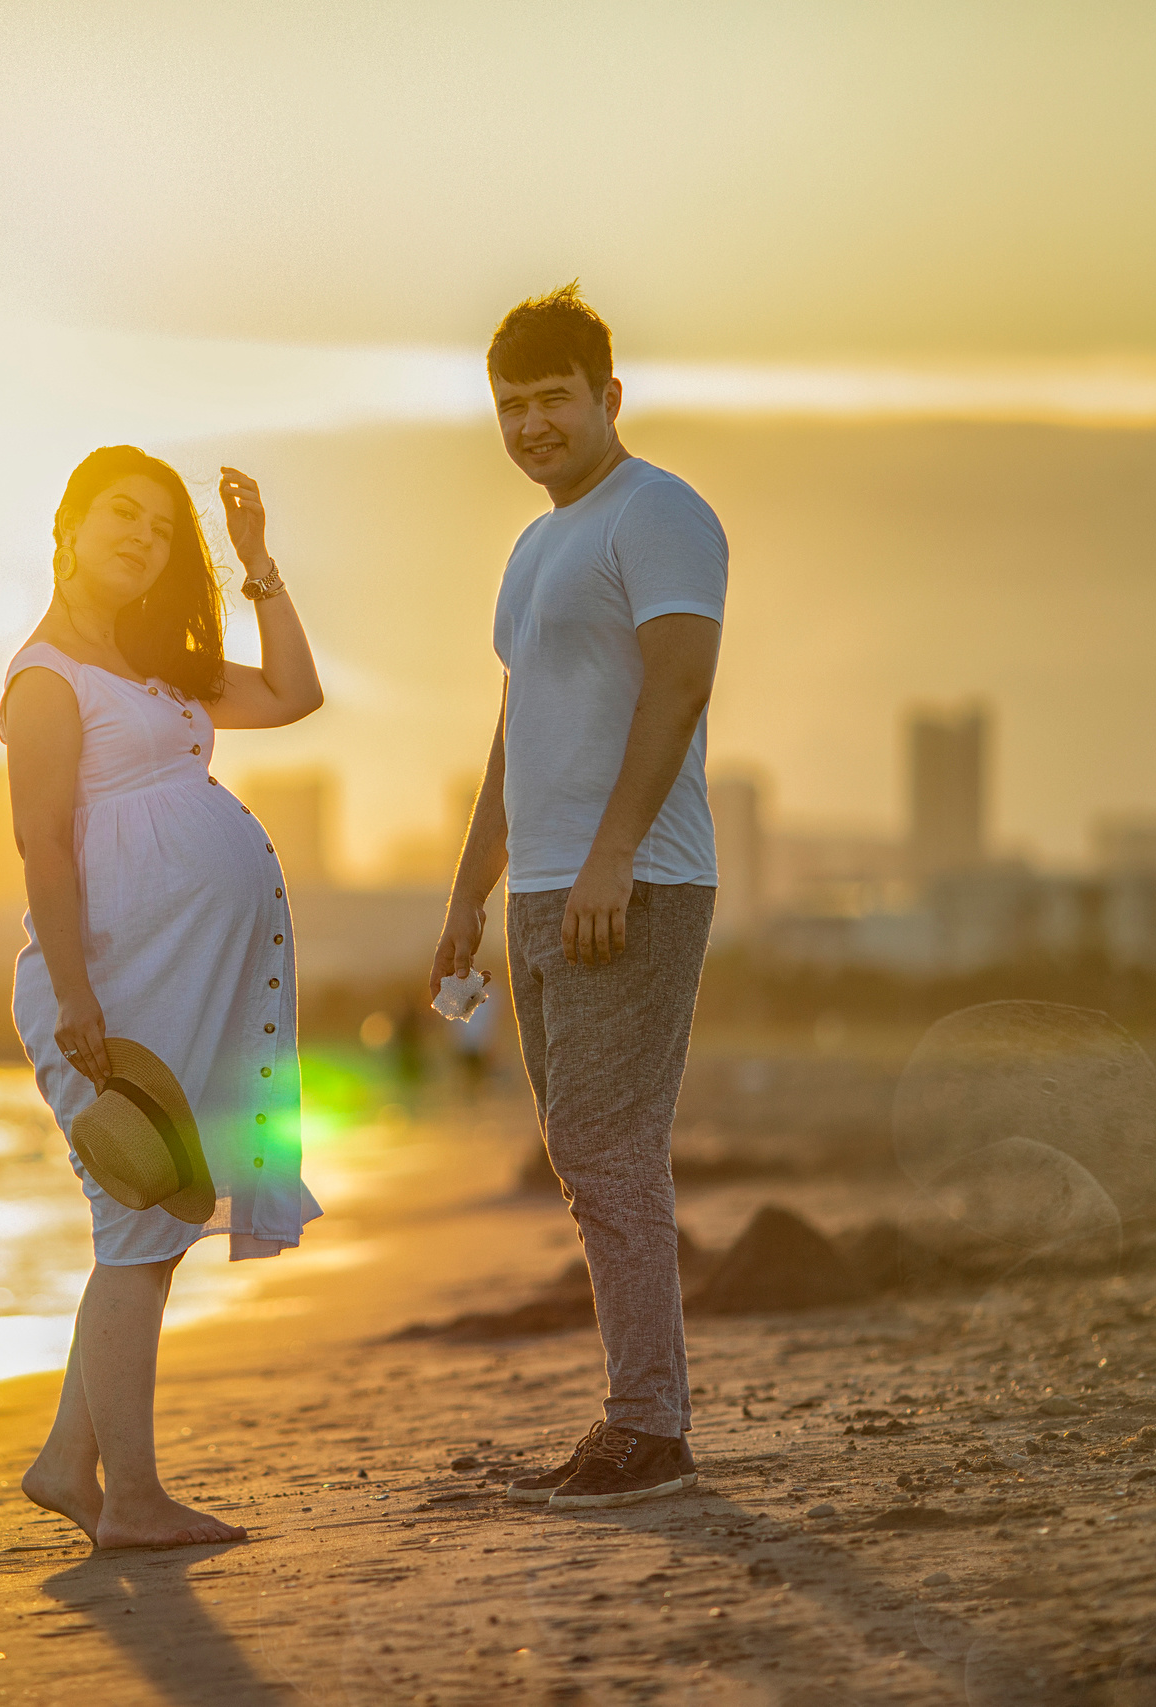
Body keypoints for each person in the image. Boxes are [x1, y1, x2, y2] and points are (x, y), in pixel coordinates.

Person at [428, 284, 727, 1510]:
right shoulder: (534, 544)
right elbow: (518, 727)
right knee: (583, 1152)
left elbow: (679, 684)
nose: (532, 423)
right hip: (542, 889)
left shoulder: (657, 513)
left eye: (553, 398)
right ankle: (638, 1415)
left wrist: (612, 856)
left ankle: (647, 1430)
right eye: (511, 405)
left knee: (608, 1149)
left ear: (608, 397)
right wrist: (466, 893)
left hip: (633, 883)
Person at [2, 445, 326, 1548]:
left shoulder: (158, 665)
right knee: (137, 1224)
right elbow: (41, 844)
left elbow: (294, 693)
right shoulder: (45, 678)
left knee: (148, 1222)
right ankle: (130, 1500)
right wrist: (79, 1000)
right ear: (69, 530)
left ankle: (65, 1463)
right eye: (121, 518)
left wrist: (256, 565)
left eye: (160, 527)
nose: (142, 540)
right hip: (109, 987)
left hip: (175, 975)